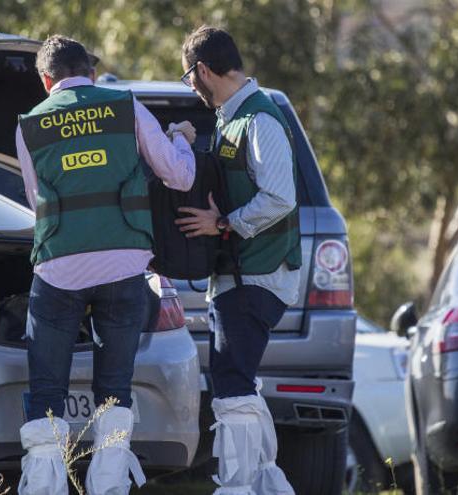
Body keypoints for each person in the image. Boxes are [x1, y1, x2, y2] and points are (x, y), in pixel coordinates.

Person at [15, 35, 196, 495]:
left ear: (45, 80)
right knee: (114, 389)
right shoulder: (125, 106)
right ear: (91, 73)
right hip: (123, 268)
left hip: (58, 272)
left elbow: (36, 200)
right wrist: (180, 139)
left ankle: (44, 487)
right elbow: (180, 175)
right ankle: (110, 487)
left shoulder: (29, 125)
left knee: (47, 392)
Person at [175, 26, 301, 495]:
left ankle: (240, 486)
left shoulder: (259, 118)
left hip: (258, 275)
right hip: (238, 276)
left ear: (203, 70)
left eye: (189, 77)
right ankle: (264, 484)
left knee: (231, 382)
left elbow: (280, 198)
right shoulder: (232, 117)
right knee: (238, 381)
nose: (191, 87)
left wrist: (223, 224)